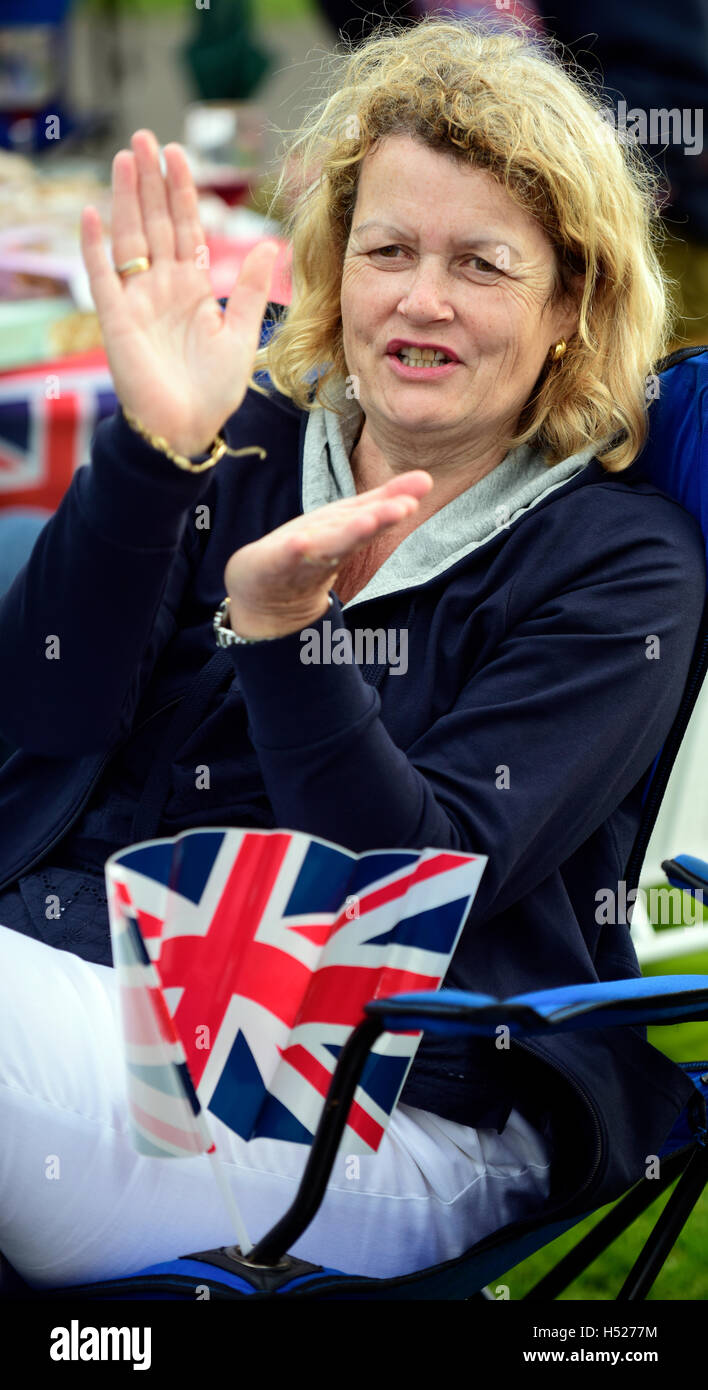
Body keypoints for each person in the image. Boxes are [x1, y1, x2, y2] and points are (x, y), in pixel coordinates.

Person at [0, 16, 705, 1289]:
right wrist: (151, 464)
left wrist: (288, 640)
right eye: (386, 250)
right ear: (336, 268)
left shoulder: (618, 561)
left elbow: (421, 884)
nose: (418, 299)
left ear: (571, 305)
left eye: (482, 264)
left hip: (370, 1095)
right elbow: (43, 709)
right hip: (73, 987)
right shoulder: (248, 431)